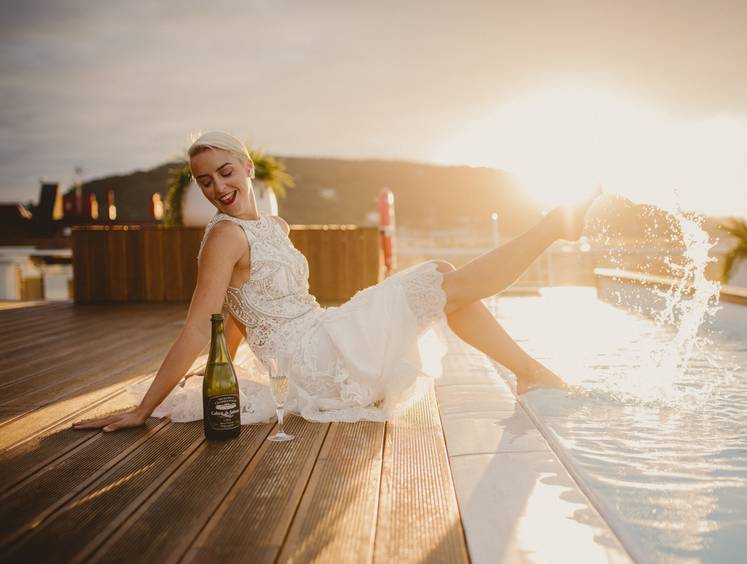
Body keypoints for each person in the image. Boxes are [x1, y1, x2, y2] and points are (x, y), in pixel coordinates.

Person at [73, 130, 598, 432]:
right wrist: (144, 410)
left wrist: (226, 369)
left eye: (225, 172)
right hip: (314, 361)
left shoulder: (273, 226)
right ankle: (552, 229)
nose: (218, 187)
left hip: (323, 330)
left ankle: (530, 368)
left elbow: (238, 313)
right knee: (440, 278)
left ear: (247, 166)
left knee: (442, 283)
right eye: (206, 181)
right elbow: (200, 327)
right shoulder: (223, 239)